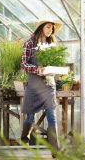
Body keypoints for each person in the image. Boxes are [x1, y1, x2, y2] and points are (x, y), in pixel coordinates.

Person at [20, 19, 62, 152]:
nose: (51, 30)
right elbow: (23, 64)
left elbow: (57, 63)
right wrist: (36, 69)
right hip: (34, 86)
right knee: (30, 117)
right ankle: (24, 137)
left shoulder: (52, 44)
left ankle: (55, 149)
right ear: (41, 28)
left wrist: (55, 70)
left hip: (49, 84)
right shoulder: (30, 43)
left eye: (52, 28)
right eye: (48, 27)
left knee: (52, 116)